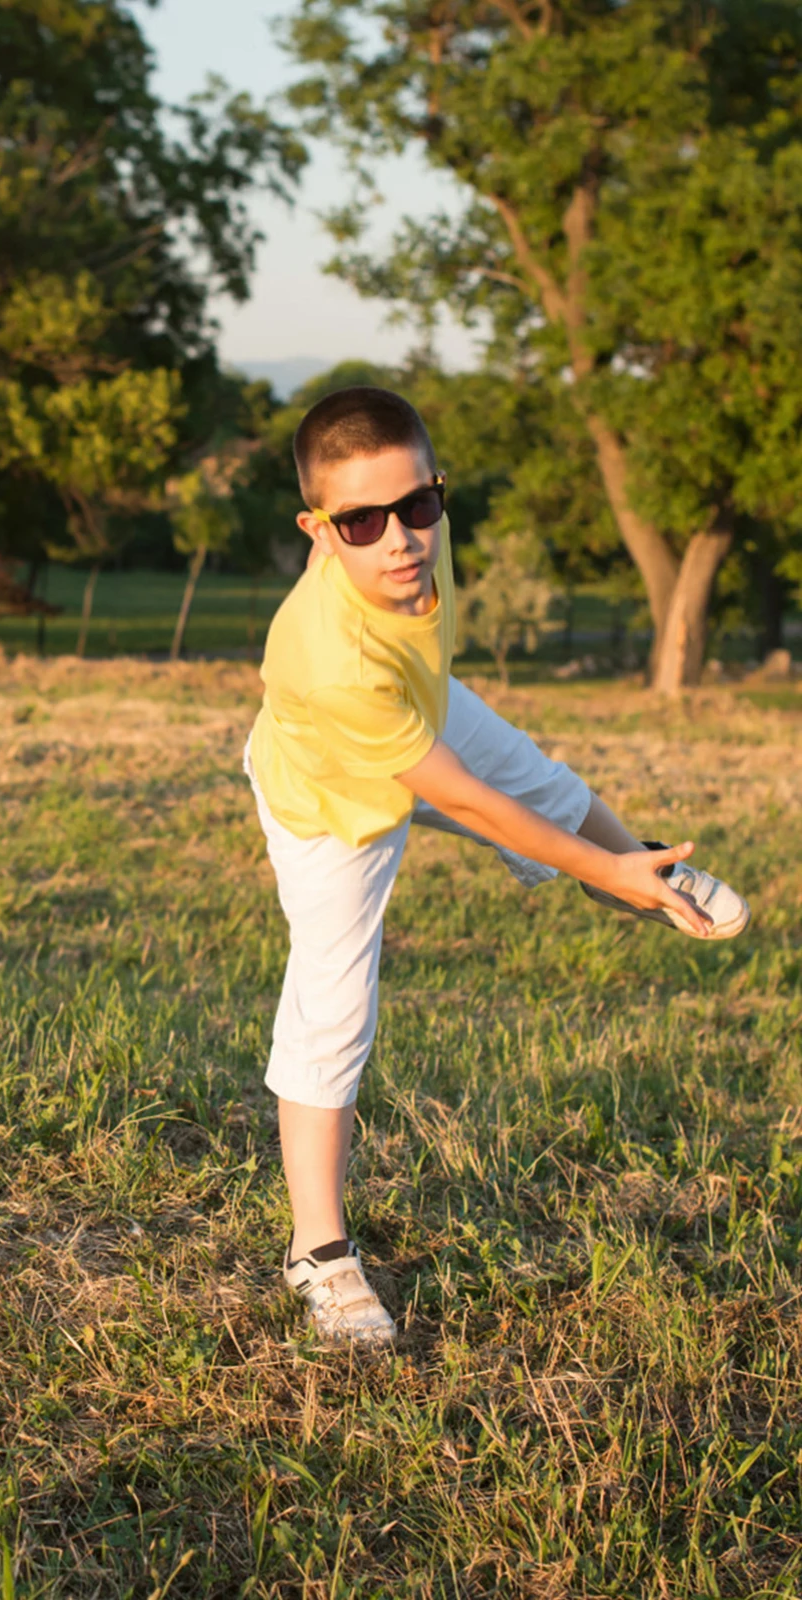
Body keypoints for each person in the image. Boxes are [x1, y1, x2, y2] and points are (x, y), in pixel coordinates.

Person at [242, 386, 750, 1350]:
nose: (400, 539)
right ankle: (318, 1252)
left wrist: (609, 864)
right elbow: (474, 804)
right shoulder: (330, 660)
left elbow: (512, 787)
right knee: (335, 1003)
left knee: (549, 785)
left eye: (417, 505)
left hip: (415, 706)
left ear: (436, 489)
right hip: (330, 798)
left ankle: (640, 868)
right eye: (362, 522)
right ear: (321, 531)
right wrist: (589, 871)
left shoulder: (402, 542)